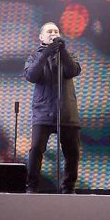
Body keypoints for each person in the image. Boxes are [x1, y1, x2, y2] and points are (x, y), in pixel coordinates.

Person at [23, 21, 81, 193]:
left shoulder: (69, 55)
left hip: (67, 113)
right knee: (36, 150)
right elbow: (31, 75)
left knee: (72, 153)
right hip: (43, 112)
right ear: (41, 37)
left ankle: (68, 188)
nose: (54, 33)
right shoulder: (34, 56)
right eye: (50, 31)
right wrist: (46, 53)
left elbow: (73, 71)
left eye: (56, 31)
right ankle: (32, 186)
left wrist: (62, 51)